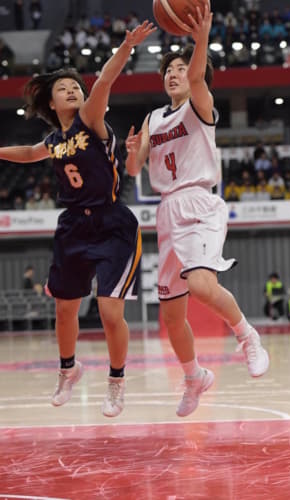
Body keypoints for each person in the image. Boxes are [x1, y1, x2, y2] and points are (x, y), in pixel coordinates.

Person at [0, 21, 156, 417]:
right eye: (62, 88)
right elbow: (28, 152)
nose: (72, 89)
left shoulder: (91, 118)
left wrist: (125, 46)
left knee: (108, 311)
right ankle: (68, 370)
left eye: (75, 86)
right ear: (51, 104)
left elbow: (103, 80)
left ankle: (117, 380)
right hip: (73, 226)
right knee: (65, 309)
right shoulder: (53, 142)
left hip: (112, 223)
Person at [125, 2, 269, 418]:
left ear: (193, 76)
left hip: (200, 203)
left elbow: (196, 75)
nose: (173, 74)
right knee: (171, 315)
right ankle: (194, 377)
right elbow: (136, 169)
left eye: (179, 69)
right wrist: (134, 154)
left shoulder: (200, 105)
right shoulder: (154, 117)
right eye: (167, 70)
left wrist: (200, 39)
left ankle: (247, 337)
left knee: (203, 286)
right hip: (166, 209)